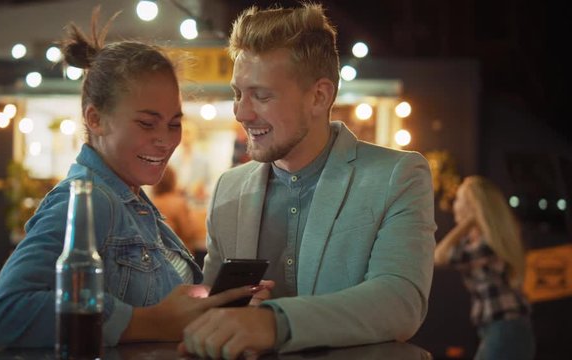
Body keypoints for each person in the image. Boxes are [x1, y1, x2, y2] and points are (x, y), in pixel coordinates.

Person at [0, 7, 257, 348]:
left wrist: (218, 304)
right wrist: (147, 323)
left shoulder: (135, 204)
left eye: (173, 123)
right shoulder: (89, 200)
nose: (166, 139)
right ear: (95, 119)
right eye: (146, 122)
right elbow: (4, 314)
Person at [180, 3, 437, 359]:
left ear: (319, 96)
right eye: (238, 93)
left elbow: (400, 301)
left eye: (261, 95)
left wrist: (273, 322)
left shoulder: (397, 176)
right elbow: (214, 305)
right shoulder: (230, 188)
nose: (241, 112)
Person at [434, 176, 535, 360]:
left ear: (473, 206)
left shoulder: (486, 244)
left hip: (505, 328)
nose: (454, 205)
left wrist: (468, 222)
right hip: (502, 328)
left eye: (458, 199)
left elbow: (439, 256)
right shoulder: (478, 241)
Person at [151, 167, 205, 254]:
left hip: (160, 254)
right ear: (172, 180)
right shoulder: (178, 203)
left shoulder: (151, 202)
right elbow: (188, 232)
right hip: (179, 255)